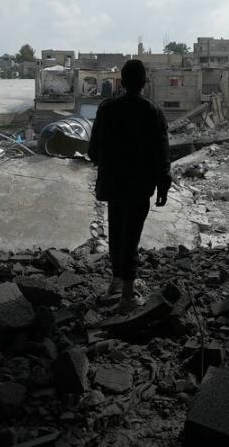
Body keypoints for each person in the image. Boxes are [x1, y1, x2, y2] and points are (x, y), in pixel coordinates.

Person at [88, 59, 171, 314]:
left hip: (114, 184)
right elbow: (162, 155)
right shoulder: (153, 112)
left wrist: (109, 166)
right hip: (139, 186)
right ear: (144, 83)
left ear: (121, 82)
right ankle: (127, 293)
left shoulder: (107, 109)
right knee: (131, 236)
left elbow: (93, 151)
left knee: (116, 231)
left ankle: (116, 280)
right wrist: (162, 185)